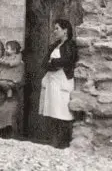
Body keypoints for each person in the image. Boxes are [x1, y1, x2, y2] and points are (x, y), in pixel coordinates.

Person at [39, 19, 77, 149]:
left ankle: (62, 144)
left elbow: (66, 61)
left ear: (65, 30)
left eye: (57, 28)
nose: (54, 31)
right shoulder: (54, 45)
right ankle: (53, 143)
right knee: (52, 112)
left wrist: (52, 63)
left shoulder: (70, 45)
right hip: (52, 82)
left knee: (62, 113)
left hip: (62, 82)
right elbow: (44, 63)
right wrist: (52, 63)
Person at [1, 40, 26, 135]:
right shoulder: (5, 59)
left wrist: (13, 84)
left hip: (13, 90)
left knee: (11, 116)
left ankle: (13, 137)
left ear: (14, 50)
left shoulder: (19, 63)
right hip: (2, 89)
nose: (6, 50)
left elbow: (20, 79)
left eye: (8, 48)